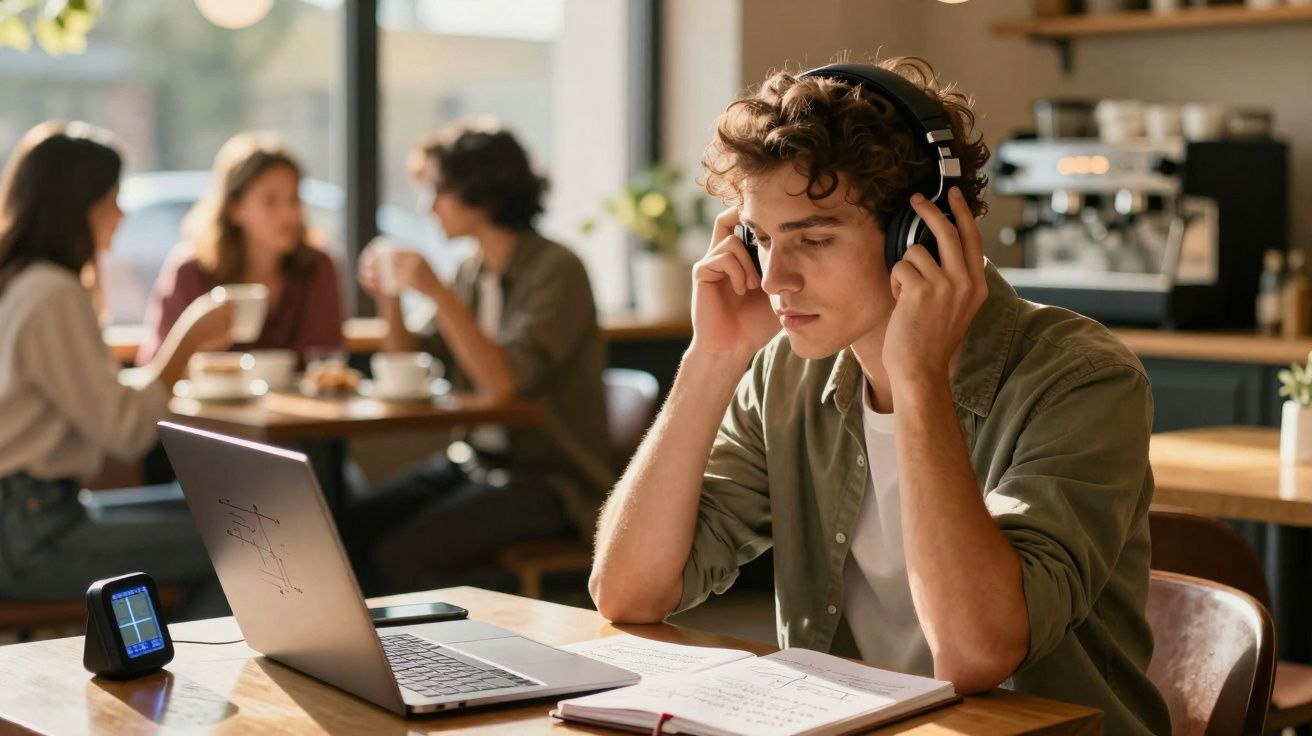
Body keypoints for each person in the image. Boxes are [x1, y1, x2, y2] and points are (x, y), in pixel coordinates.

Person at [589, 57, 1171, 734]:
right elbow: (628, 592)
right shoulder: (787, 372)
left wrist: (918, 379)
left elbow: (975, 653)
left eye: (813, 238)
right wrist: (712, 356)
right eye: (762, 238)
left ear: (919, 236)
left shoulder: (1080, 378)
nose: (775, 278)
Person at [347, 119, 610, 595]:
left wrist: (436, 292)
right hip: (472, 459)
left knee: (401, 552)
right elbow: (412, 364)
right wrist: (388, 299)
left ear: (482, 192)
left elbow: (503, 383)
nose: (428, 207)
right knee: (350, 526)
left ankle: (428, 659)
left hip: (552, 479)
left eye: (438, 190)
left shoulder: (558, 270)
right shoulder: (469, 272)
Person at [0, 121, 233, 617]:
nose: (121, 213)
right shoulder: (52, 294)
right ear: (77, 206)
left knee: (210, 513)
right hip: (30, 534)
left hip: (34, 515)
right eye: (111, 198)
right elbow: (125, 432)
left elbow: (92, 398)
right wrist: (186, 341)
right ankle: (187, 682)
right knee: (237, 544)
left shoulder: (22, 283)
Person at [136, 132, 343, 367]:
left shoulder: (317, 266)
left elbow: (326, 359)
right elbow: (155, 368)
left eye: (293, 198)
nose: (289, 214)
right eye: (271, 200)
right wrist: (194, 345)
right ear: (234, 207)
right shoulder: (190, 271)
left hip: (297, 404)